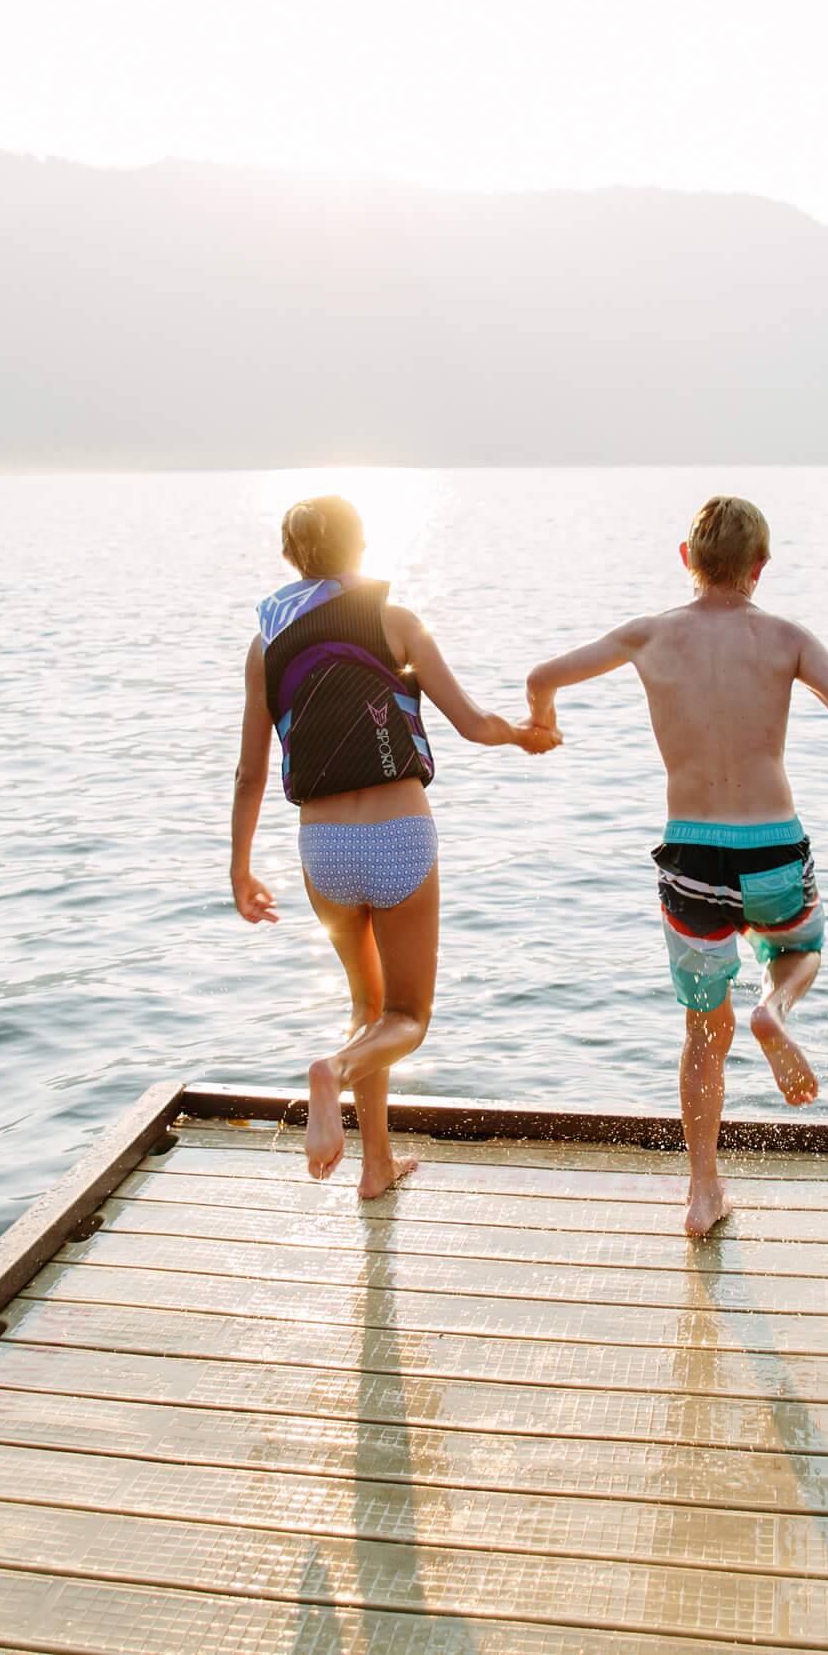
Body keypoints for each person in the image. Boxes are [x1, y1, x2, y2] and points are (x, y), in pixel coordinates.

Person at [524, 495, 828, 1234]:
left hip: (690, 858)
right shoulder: (786, 638)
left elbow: (542, 672)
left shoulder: (647, 636)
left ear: (686, 560)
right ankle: (775, 1011)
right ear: (759, 569)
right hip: (773, 847)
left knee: (702, 1034)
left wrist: (542, 720)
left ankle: (703, 1193)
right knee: (798, 949)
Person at [231, 496, 557, 1198]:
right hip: (400, 838)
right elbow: (471, 723)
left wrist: (240, 867)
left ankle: (376, 1166)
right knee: (407, 1016)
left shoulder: (266, 646)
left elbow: (251, 771)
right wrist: (524, 734)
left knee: (365, 1009)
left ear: (291, 557)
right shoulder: (395, 621)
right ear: (362, 547)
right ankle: (335, 1072)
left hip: (323, 851)